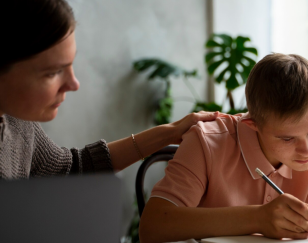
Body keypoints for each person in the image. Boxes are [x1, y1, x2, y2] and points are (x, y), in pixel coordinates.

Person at [139, 53, 308, 243]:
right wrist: (257, 218)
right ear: (252, 124)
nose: (306, 149)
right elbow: (153, 226)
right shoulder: (206, 143)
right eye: (286, 138)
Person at [0, 0, 218, 180]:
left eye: (70, 65)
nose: (73, 84)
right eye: (52, 72)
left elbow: (71, 168)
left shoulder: (17, 123)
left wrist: (171, 132)